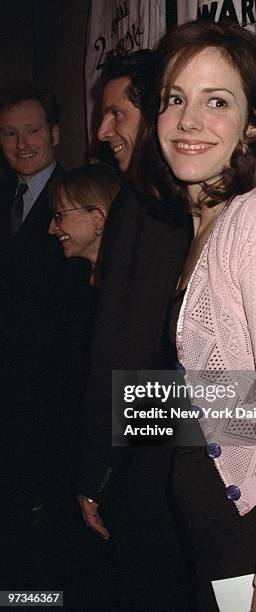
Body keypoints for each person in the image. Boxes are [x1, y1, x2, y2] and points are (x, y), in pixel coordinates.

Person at [142, 20, 256, 611]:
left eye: (216, 101)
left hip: (254, 549)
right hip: (215, 537)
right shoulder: (204, 224)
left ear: (255, 123)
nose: (188, 121)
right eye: (176, 99)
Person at [77, 51, 193, 609]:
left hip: (146, 468)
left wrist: (95, 473)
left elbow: (122, 351)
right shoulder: (185, 203)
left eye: (118, 114)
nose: (103, 131)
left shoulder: (145, 206)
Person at [0, 83, 89, 590]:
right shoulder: (6, 197)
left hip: (56, 403)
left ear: (55, 133)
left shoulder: (79, 199)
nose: (22, 143)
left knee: (54, 532)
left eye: (33, 130)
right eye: (9, 133)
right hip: (12, 403)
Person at [48, 163, 122, 286]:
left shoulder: (135, 280)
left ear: (98, 219)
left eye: (59, 216)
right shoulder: (76, 281)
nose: (51, 229)